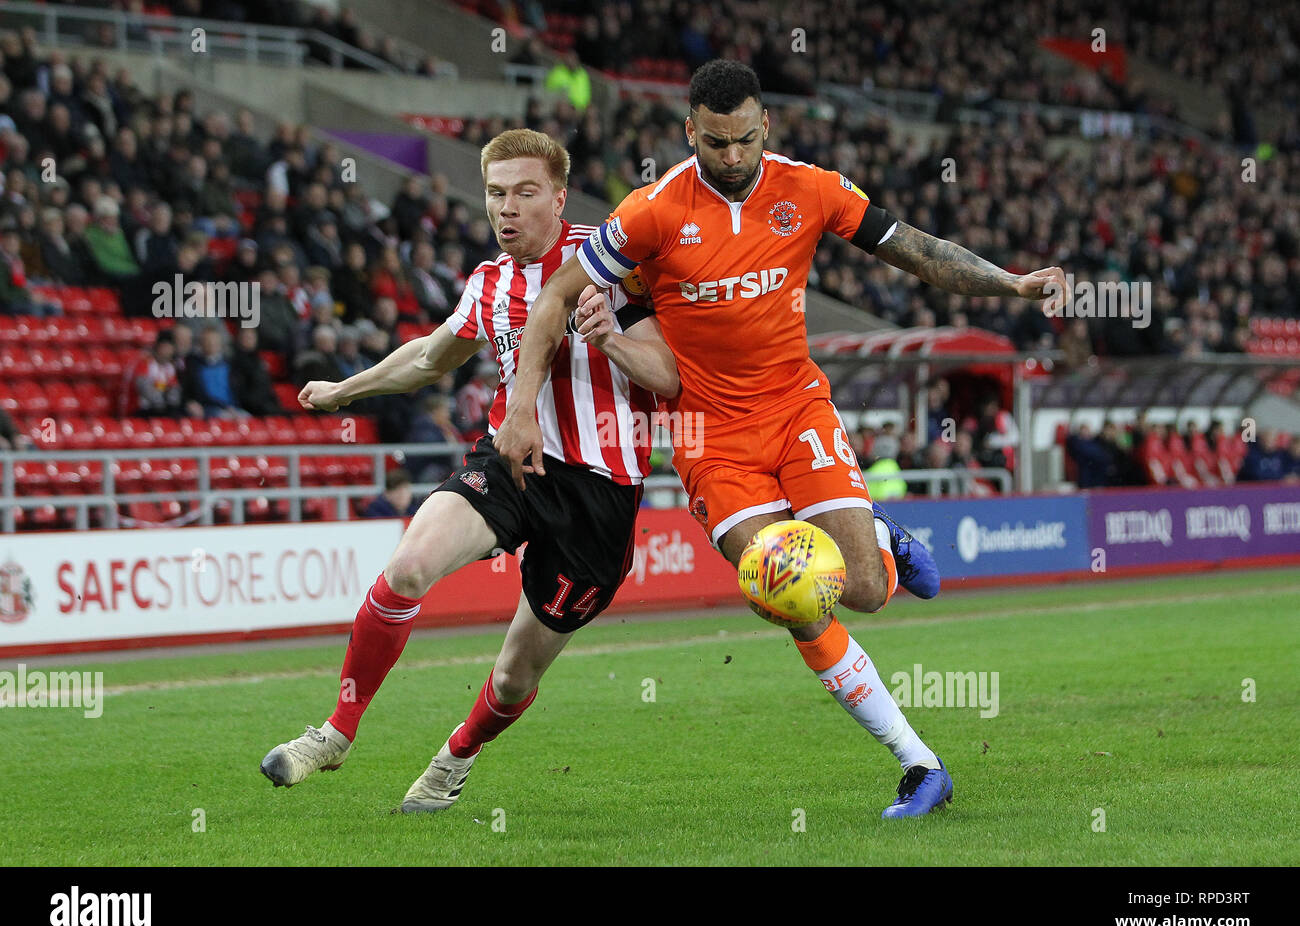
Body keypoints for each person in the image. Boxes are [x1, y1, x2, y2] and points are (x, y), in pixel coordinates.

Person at [497, 59, 1069, 818]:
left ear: (766, 125)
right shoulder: (651, 214)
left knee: (862, 591)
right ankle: (919, 763)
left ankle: (882, 539)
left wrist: (1009, 284)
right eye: (715, 144)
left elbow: (914, 249)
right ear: (689, 133)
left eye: (743, 141)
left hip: (799, 411)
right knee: (790, 593)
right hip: (710, 437)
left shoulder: (811, 188)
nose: (732, 159)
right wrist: (520, 408)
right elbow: (554, 298)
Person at [259, 129, 678, 815]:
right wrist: (344, 390)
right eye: (494, 194)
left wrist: (613, 341)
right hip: (512, 462)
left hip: (599, 497)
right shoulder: (489, 283)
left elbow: (672, 377)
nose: (505, 209)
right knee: (407, 568)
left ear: (560, 197)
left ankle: (457, 754)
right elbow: (429, 358)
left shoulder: (614, 268)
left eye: (524, 193)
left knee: (514, 677)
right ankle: (335, 732)